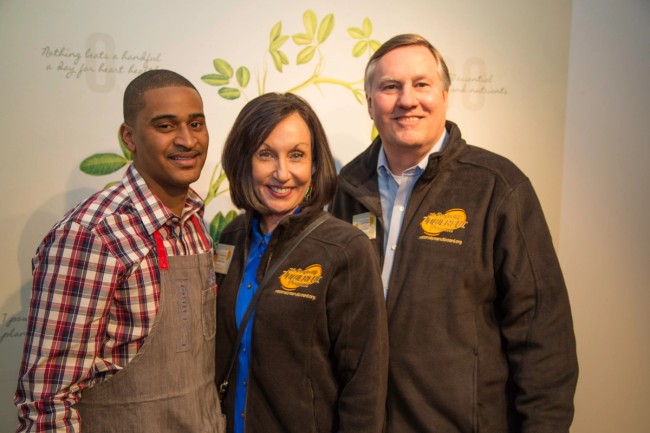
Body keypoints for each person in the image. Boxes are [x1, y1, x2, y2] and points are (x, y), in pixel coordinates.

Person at [330, 34, 579, 433]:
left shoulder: (496, 187)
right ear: (370, 101)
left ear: (445, 94)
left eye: (421, 84)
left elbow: (542, 334)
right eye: (390, 86)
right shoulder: (347, 189)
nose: (407, 99)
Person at [14, 69, 225, 433]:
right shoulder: (92, 235)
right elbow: (47, 401)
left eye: (196, 123)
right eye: (165, 126)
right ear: (130, 137)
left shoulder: (194, 222)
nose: (187, 140)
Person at [215, 92, 388, 433]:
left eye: (296, 155)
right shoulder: (231, 237)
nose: (283, 173)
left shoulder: (345, 248)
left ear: (313, 164)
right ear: (243, 160)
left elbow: (364, 382)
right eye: (266, 154)